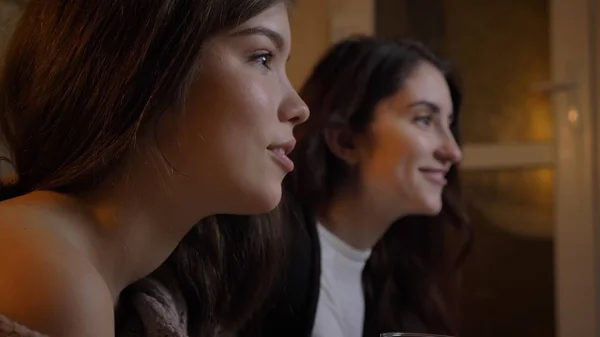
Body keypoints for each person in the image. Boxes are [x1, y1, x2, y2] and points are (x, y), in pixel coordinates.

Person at [0, 0, 308, 336]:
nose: (299, 108)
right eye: (262, 58)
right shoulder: (49, 276)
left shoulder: (157, 284)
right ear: (147, 64)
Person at [243, 36, 471, 337]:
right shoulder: (269, 264)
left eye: (449, 123)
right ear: (345, 140)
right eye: (424, 119)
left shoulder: (394, 280)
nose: (453, 151)